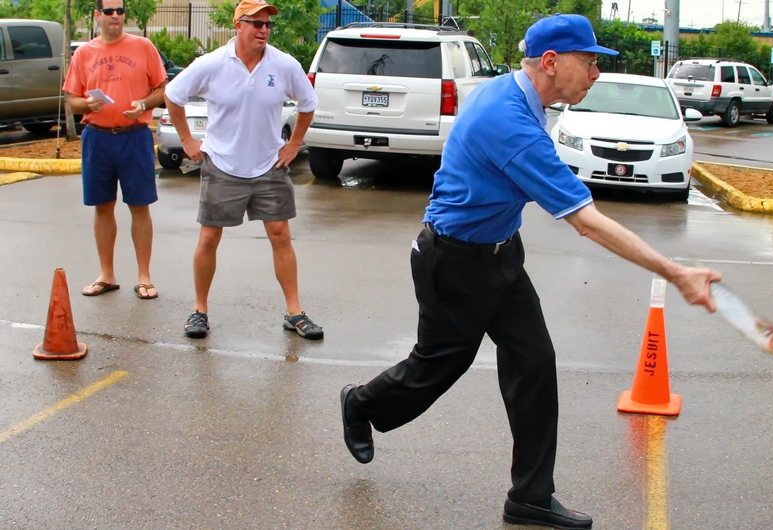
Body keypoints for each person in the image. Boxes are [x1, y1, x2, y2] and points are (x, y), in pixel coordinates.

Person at [338, 14, 722, 530]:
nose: (594, 74)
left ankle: (531, 497)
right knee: (439, 366)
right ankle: (361, 403)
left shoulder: (521, 97)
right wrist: (674, 272)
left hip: (500, 255)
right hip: (453, 262)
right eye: (588, 63)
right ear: (550, 62)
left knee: (535, 363)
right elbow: (587, 223)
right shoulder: (511, 122)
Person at [164, 0, 322, 340]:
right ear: (238, 25)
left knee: (280, 235)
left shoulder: (284, 65)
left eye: (268, 25)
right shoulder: (212, 64)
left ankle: (294, 312)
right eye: (256, 23)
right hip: (222, 164)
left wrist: (294, 144)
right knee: (209, 237)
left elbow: (308, 104)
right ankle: (199, 310)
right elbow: (172, 95)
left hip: (269, 165)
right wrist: (187, 139)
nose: (263, 30)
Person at [63, 0, 167, 300]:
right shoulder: (84, 53)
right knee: (103, 205)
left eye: (119, 11)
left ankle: (144, 276)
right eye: (108, 11)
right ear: (97, 15)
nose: (115, 16)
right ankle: (106, 274)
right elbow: (72, 99)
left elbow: (162, 88)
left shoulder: (143, 46)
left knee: (139, 206)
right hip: (98, 137)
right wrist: (87, 104)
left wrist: (144, 104)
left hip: (134, 137)